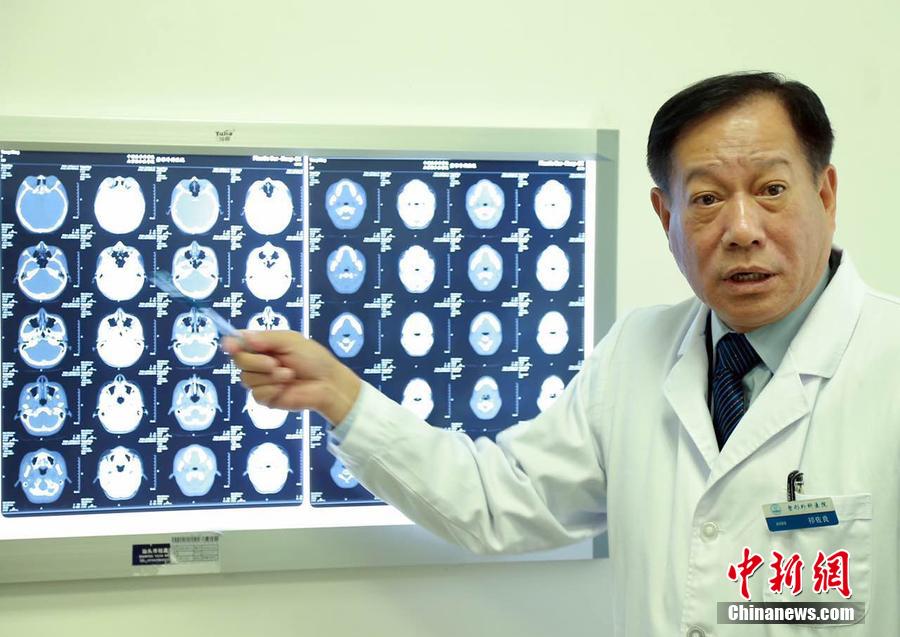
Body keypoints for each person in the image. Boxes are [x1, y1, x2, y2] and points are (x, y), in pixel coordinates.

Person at [225, 72, 899, 635]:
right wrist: (342, 397)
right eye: (706, 198)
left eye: (772, 190)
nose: (743, 229)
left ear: (826, 195)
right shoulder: (636, 353)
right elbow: (496, 500)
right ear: (666, 217)